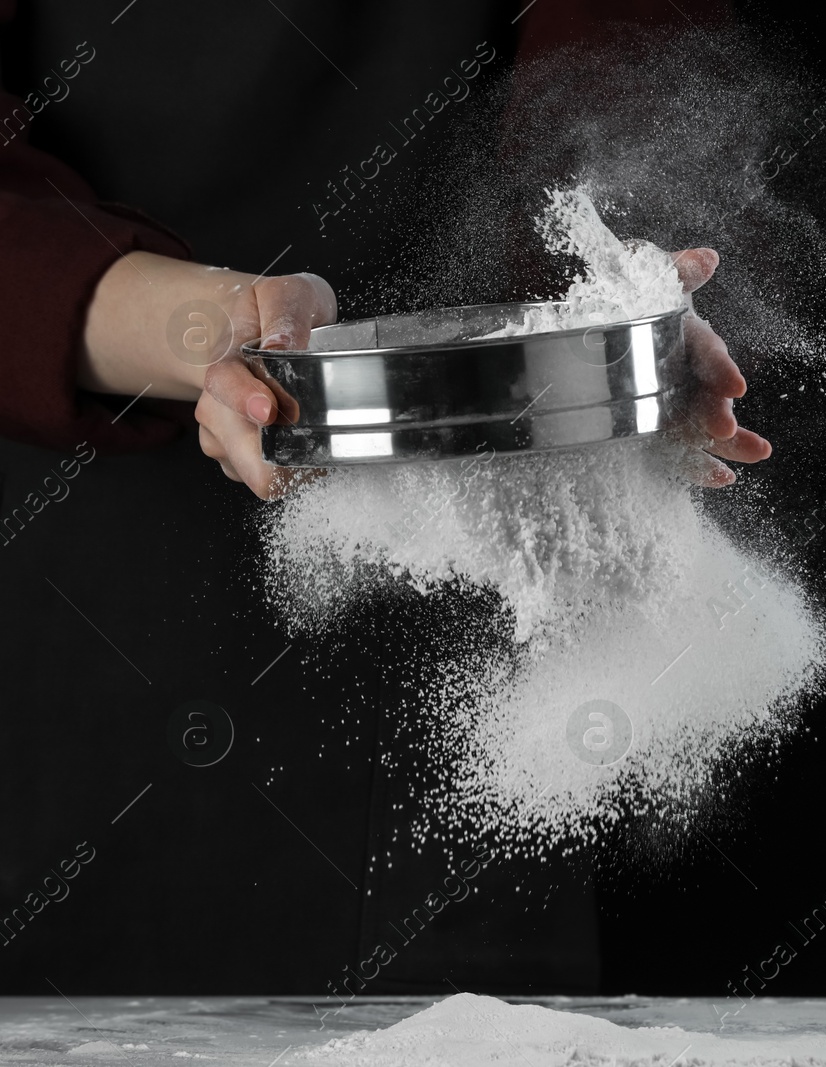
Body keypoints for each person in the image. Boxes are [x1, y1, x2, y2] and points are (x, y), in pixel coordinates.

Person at [0, 0, 752, 992]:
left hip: (452, 573)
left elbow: (609, 67)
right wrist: (216, 329)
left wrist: (603, 313)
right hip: (55, 596)